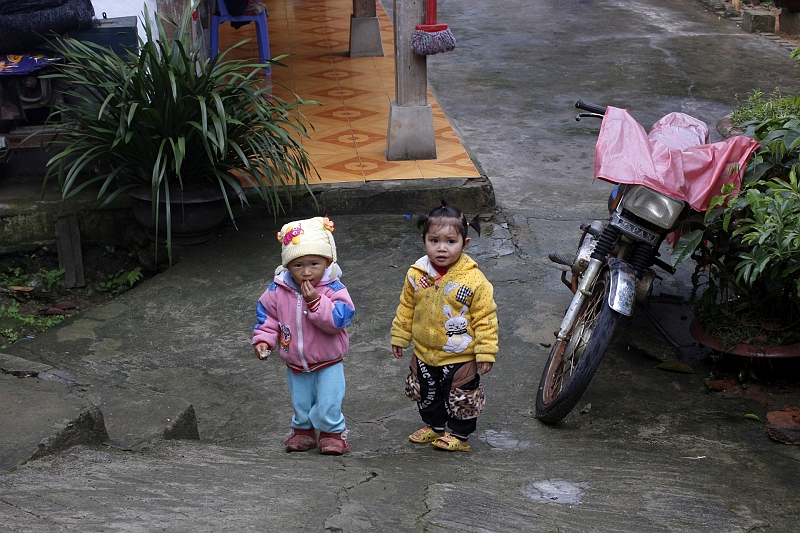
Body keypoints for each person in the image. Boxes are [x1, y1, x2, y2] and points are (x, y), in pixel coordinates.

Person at [390, 202, 498, 452]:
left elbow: (486, 318)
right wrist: (400, 335)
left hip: (460, 354)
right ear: (424, 240)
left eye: (450, 241)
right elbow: (406, 306)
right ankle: (435, 427)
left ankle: (460, 436)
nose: (441, 248)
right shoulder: (416, 274)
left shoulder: (474, 280)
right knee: (426, 393)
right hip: (424, 351)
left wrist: (486, 352)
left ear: (465, 243)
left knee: (462, 396)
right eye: (434, 240)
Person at [252, 216, 355, 455]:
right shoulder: (278, 290)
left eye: (314, 264)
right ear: (288, 266)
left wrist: (315, 303)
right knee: (300, 401)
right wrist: (264, 340)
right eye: (298, 265)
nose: (306, 272)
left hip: (328, 360)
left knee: (328, 400)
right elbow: (268, 317)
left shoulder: (334, 289)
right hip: (296, 361)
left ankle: (332, 434)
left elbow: (339, 320)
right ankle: (303, 431)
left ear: (327, 262)